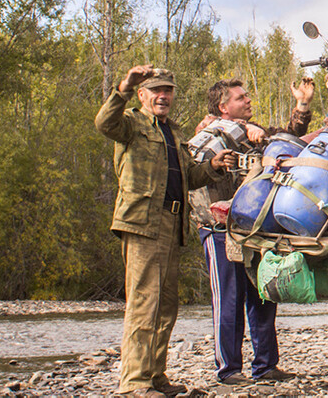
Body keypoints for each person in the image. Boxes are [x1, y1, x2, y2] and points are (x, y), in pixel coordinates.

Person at [96, 65, 233, 398]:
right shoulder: (130, 124)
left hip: (172, 225)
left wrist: (212, 167)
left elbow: (190, 177)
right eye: (156, 90)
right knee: (145, 303)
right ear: (142, 95)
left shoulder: (172, 133)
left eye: (168, 90)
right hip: (143, 223)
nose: (163, 96)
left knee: (166, 305)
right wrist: (125, 85)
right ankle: (134, 383)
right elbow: (104, 123)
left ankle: (155, 376)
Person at [190, 77, 315, 385]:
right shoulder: (208, 134)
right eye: (240, 98)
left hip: (253, 229)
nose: (247, 100)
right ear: (223, 107)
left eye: (246, 96)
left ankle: (265, 365)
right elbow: (194, 165)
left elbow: (288, 139)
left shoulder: (253, 132)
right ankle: (229, 370)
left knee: (262, 296)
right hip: (220, 229)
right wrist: (241, 133)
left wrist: (302, 104)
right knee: (229, 299)